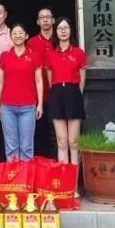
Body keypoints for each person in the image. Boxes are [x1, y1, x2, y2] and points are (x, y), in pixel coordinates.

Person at [0, 22, 43, 161]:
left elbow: (39, 81)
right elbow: (0, 81)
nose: (18, 35)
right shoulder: (5, 56)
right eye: (14, 33)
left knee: (26, 146)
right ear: (11, 37)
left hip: (28, 106)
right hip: (7, 106)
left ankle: (26, 174)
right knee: (11, 146)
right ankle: (13, 173)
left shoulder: (34, 55)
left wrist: (40, 104)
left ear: (26, 36)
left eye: (21, 33)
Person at [44, 16, 86, 167]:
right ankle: (64, 177)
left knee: (74, 142)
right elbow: (50, 79)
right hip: (56, 95)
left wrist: (74, 93)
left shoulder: (79, 53)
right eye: (60, 28)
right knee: (61, 141)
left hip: (73, 94)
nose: (63, 31)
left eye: (66, 28)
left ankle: (75, 178)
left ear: (70, 31)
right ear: (56, 31)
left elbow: (82, 79)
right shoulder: (50, 54)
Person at [28, 7, 56, 158]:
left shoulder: (59, 40)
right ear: (37, 22)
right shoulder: (31, 43)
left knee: (55, 133)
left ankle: (56, 165)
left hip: (57, 94)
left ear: (53, 20)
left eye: (48, 17)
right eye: (42, 17)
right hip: (37, 95)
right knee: (38, 131)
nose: (45, 20)